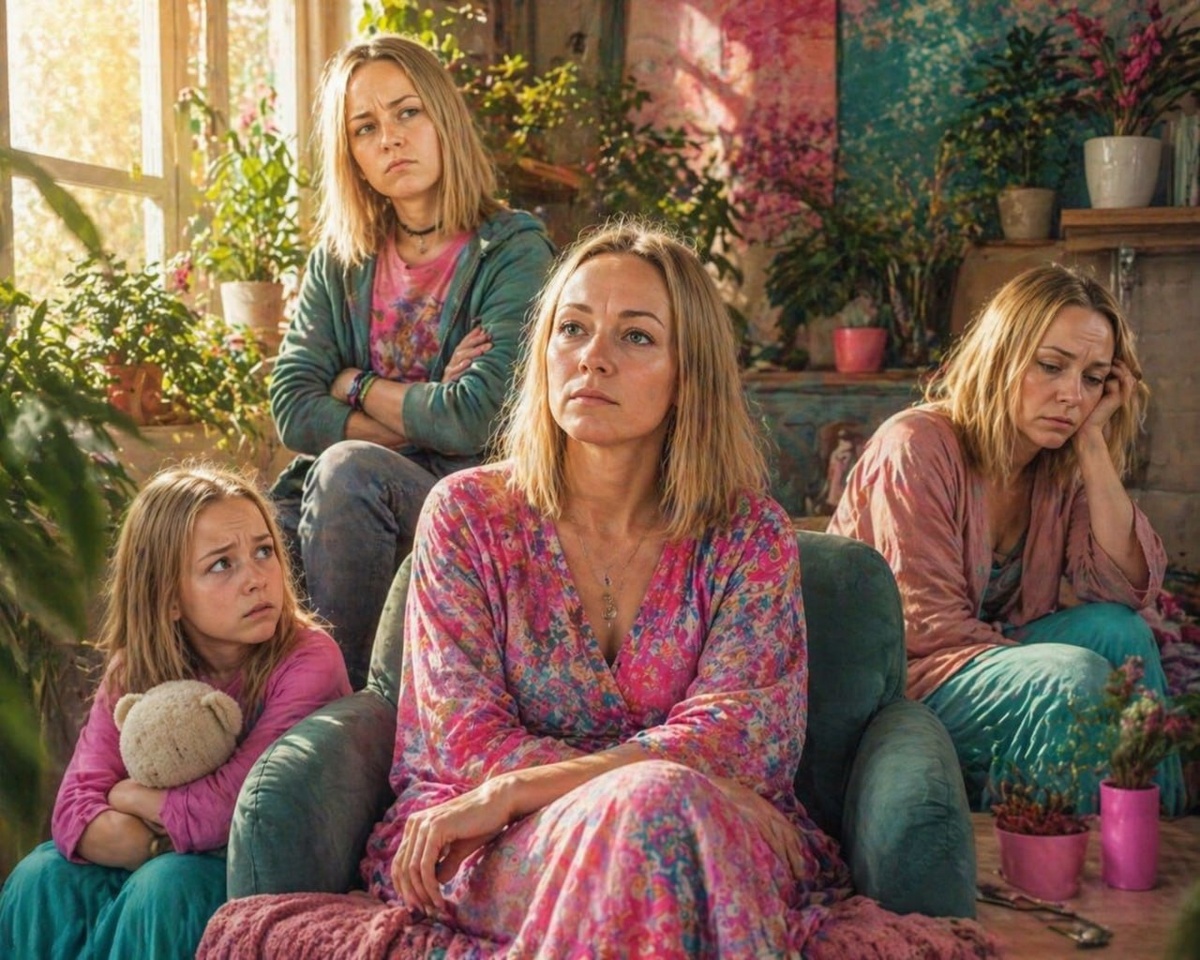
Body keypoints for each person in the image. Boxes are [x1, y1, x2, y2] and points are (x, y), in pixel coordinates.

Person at [198, 222, 995, 959]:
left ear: (689, 374)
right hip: (491, 841)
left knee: (660, 813)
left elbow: (741, 742)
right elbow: (461, 740)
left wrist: (534, 785)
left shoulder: (746, 534)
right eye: (572, 328)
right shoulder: (467, 516)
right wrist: (640, 783)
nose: (593, 357)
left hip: (696, 829)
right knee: (657, 811)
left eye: (635, 336)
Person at [828, 263, 1185, 815]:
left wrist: (1093, 443)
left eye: (1093, 378)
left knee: (1122, 633)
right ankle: (1058, 855)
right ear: (1001, 355)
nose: (1072, 395)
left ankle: (1159, 838)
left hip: (985, 654)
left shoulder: (1058, 464)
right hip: (902, 680)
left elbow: (1127, 587)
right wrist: (1057, 669)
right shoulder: (916, 445)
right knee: (1074, 676)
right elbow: (928, 631)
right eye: (1051, 366)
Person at [269, 34, 555, 687]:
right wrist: (425, 404)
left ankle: (346, 707)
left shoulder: (513, 251)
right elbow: (292, 404)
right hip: (349, 492)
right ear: (352, 156)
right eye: (365, 128)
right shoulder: (341, 260)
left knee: (347, 469)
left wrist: (353, 383)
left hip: (465, 495)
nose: (390, 138)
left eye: (407, 112)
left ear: (442, 117)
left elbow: (476, 417)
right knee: (223, 529)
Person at [0, 465, 351, 959]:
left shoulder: (310, 658)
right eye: (222, 564)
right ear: (167, 598)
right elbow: (75, 805)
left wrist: (129, 797)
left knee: (165, 888)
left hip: (257, 866)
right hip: (163, 851)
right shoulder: (135, 668)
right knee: (41, 877)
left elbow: (232, 807)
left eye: (264, 551)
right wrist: (148, 843)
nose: (256, 579)